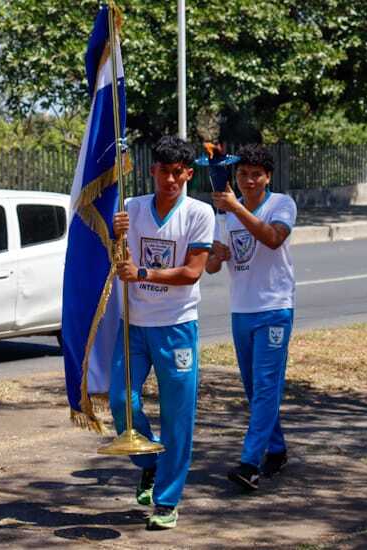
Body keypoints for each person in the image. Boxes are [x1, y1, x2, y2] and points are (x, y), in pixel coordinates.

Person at [110, 135, 216, 529]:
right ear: (151, 170)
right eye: (163, 172)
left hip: (176, 328)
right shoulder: (130, 208)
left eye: (178, 173)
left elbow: (191, 272)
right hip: (133, 325)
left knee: (177, 418)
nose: (170, 180)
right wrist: (113, 232)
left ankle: (167, 501)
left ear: (188, 173)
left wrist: (143, 272)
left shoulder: (199, 214)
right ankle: (148, 462)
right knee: (122, 400)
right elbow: (115, 258)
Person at [206, 143, 297, 491]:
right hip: (242, 309)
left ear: (267, 176)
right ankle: (276, 448)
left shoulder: (281, 204)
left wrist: (235, 209)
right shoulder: (227, 214)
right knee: (254, 388)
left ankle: (249, 463)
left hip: (274, 307)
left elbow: (273, 239)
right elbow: (213, 267)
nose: (249, 180)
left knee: (265, 386)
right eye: (242, 174)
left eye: (256, 175)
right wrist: (218, 255)